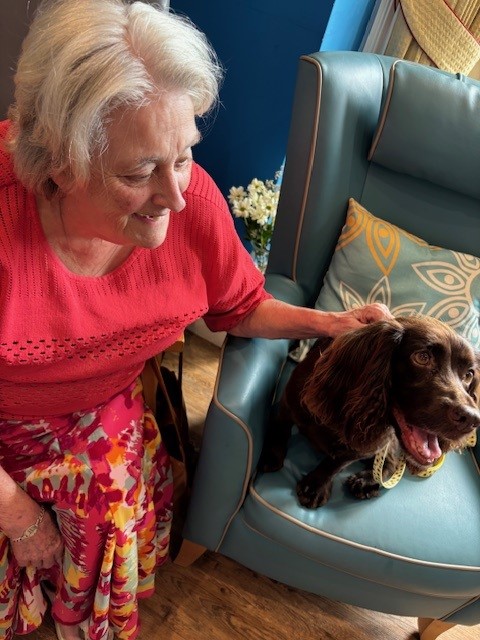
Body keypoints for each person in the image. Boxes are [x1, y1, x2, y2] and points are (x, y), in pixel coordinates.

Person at [0, 1, 392, 639]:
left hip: (101, 406)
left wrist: (328, 326)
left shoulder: (192, 201)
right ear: (59, 166)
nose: (177, 196)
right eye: (140, 172)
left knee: (113, 505)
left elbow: (238, 306)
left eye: (183, 156)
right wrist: (16, 513)